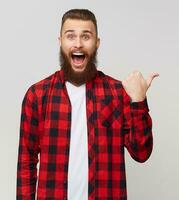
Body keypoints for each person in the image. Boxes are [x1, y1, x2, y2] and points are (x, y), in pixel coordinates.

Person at [16, 8, 158, 199]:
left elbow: (141, 153)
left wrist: (138, 101)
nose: (78, 44)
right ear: (60, 42)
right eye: (70, 36)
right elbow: (26, 160)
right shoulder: (38, 95)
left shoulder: (117, 93)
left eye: (86, 36)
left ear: (97, 43)